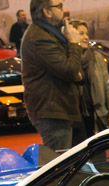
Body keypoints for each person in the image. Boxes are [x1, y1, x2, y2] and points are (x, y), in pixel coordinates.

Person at [21, 0, 86, 150]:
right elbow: (70, 70)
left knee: (63, 161)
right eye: (59, 6)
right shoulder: (40, 37)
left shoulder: (50, 34)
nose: (65, 10)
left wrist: (73, 69)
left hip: (56, 108)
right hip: (52, 110)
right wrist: (74, 44)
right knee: (59, 165)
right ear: (47, 12)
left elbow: (75, 70)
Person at [72, 20, 109, 136]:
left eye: (87, 34)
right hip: (77, 120)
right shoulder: (69, 61)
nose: (86, 37)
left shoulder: (96, 57)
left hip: (98, 116)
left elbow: (107, 88)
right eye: (81, 33)